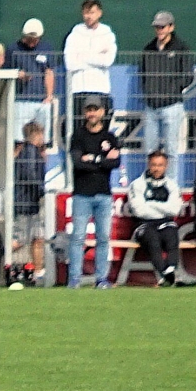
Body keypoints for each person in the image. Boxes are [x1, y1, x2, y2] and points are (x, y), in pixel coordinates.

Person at [66, 98, 122, 288]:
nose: (92, 113)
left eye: (95, 109)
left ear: (102, 112)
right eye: (89, 110)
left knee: (103, 238)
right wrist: (102, 161)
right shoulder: (78, 136)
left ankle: (101, 279)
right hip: (82, 194)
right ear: (85, 113)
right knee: (78, 238)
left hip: (104, 195)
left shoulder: (110, 137)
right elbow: (77, 163)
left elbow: (115, 163)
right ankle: (74, 279)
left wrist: (92, 158)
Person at [140, 11, 192, 179]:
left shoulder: (181, 48)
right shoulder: (148, 49)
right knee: (150, 150)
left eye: (162, 27)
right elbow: (143, 74)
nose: (159, 30)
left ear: (171, 27)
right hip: (151, 107)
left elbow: (188, 76)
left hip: (172, 106)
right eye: (157, 27)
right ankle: (151, 183)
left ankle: (170, 185)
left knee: (171, 149)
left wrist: (172, 90)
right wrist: (149, 91)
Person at [127, 149, 183, 286]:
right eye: (154, 165)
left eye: (160, 165)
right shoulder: (137, 184)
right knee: (152, 238)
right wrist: (164, 208)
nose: (157, 168)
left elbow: (174, 210)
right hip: (143, 224)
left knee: (172, 234)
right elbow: (139, 211)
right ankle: (166, 274)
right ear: (149, 165)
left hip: (165, 222)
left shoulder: (172, 185)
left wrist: (150, 204)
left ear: (166, 166)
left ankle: (170, 269)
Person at [63, 0, 117, 124]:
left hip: (101, 90)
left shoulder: (107, 34)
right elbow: (70, 63)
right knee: (79, 129)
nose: (89, 16)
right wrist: (97, 54)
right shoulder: (74, 35)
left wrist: (81, 55)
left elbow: (107, 61)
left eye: (92, 12)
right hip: (78, 91)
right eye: (86, 13)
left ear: (99, 13)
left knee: (101, 129)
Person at [5, 18, 57, 143]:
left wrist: (49, 96)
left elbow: (49, 72)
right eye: (29, 39)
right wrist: (18, 74)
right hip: (20, 100)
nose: (32, 43)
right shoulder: (13, 49)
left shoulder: (46, 48)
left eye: (35, 39)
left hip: (41, 100)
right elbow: (6, 72)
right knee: (19, 140)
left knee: (42, 140)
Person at [12, 121, 49, 282]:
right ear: (36, 135)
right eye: (41, 134)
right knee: (19, 240)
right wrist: (41, 192)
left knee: (38, 237)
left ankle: (38, 272)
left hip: (30, 203)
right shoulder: (30, 151)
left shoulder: (32, 151)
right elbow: (30, 175)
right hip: (25, 203)